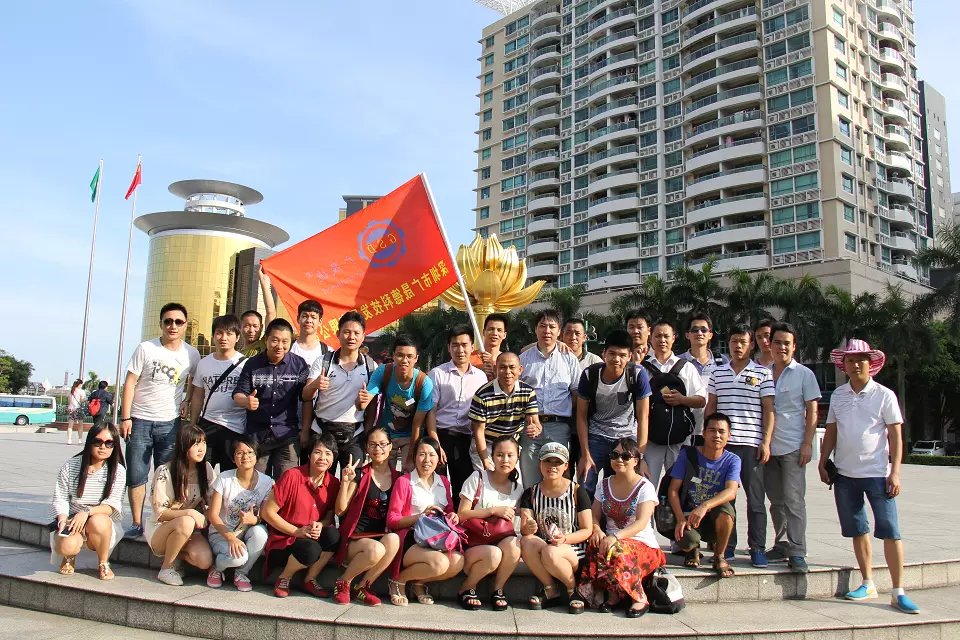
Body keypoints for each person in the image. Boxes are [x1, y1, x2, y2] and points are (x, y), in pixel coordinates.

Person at [818, 339, 919, 614]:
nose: (856, 363)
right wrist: (822, 460)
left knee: (890, 531)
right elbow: (831, 431)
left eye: (862, 359)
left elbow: (895, 436)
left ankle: (898, 590)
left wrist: (895, 471)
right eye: (851, 360)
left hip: (877, 474)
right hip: (846, 474)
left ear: (871, 362)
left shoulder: (885, 395)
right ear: (844, 365)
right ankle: (868, 581)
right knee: (858, 529)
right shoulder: (838, 395)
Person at [119, 302, 201, 539]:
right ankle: (136, 522)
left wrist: (186, 399)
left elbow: (195, 384)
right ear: (161, 324)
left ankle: (160, 518)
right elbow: (130, 383)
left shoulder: (191, 354)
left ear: (185, 325)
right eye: (168, 321)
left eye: (178, 322)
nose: (172, 326)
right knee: (137, 475)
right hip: (140, 420)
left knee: (166, 475)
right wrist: (126, 417)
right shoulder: (146, 348)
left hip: (170, 423)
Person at [705, 324, 774, 566]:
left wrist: (765, 441)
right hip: (724, 447)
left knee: (755, 500)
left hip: (751, 445)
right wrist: (708, 438)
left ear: (751, 344)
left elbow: (768, 410)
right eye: (734, 342)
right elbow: (711, 406)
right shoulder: (718, 373)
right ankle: (727, 546)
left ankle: (758, 548)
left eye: (743, 342)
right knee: (725, 499)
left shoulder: (763, 373)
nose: (738, 346)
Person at [579, 438, 664, 617]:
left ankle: (639, 598)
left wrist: (615, 536)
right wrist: (598, 530)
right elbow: (594, 515)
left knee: (617, 549)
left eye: (625, 456)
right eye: (615, 455)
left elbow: (641, 523)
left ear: (636, 461)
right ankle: (613, 595)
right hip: (612, 539)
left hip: (642, 544)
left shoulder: (645, 487)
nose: (619, 460)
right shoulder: (604, 484)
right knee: (595, 547)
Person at [765, 322, 820, 573]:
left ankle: (798, 551)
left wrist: (807, 443)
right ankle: (782, 543)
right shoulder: (763, 372)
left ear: (794, 346)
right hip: (767, 448)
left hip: (793, 446)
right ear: (770, 344)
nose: (782, 347)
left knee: (794, 501)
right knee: (776, 500)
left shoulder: (804, 374)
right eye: (777, 342)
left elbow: (812, 411)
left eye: (787, 343)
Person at [385, 436, 464, 606]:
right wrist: (421, 516)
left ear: (439, 458)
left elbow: (449, 510)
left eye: (432, 455)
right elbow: (392, 520)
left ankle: (418, 583)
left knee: (458, 562)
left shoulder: (444, 482)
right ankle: (398, 580)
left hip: (436, 540)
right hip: (411, 540)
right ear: (414, 457)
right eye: (422, 454)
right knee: (439, 563)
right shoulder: (404, 482)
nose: (427, 460)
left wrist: (453, 516)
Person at [261, 433, 342, 599]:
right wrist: (296, 531)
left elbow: (329, 514)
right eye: (318, 452)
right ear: (309, 454)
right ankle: (285, 577)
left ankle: (310, 578)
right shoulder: (292, 476)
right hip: (285, 541)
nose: (323, 458)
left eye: (328, 454)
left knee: (333, 535)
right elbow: (267, 512)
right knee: (311, 549)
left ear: (333, 460)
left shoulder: (333, 483)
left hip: (310, 537)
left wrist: (321, 523)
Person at [575, 330, 652, 497]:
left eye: (622, 355)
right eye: (612, 353)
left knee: (623, 488)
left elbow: (644, 417)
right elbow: (581, 415)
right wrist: (585, 454)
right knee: (585, 485)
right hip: (596, 436)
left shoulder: (638, 375)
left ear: (630, 356)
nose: (616, 359)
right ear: (603, 353)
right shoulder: (590, 375)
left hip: (625, 437)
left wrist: (641, 457)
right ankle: (586, 523)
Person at [519, 442, 593, 614]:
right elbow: (525, 529)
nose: (552, 466)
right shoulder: (530, 493)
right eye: (547, 461)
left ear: (566, 465)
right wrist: (528, 527)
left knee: (551, 552)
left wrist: (565, 539)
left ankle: (572, 590)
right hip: (545, 545)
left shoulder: (577, 491)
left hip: (572, 547)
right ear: (540, 464)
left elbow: (587, 529)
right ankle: (550, 588)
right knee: (527, 542)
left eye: (557, 462)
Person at [332, 426, 402, 606]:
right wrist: (345, 483)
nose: (377, 449)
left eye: (382, 444)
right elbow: (340, 511)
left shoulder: (399, 478)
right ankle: (343, 582)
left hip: (379, 537)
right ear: (366, 449)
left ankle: (361, 587)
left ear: (390, 446)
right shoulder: (360, 474)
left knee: (393, 539)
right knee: (375, 549)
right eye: (372, 445)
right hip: (355, 541)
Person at [301, 311, 377, 474]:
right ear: (338, 334)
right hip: (322, 431)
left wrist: (368, 433)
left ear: (363, 336)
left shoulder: (371, 367)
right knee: (319, 481)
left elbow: (373, 405)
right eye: (347, 332)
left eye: (356, 333)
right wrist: (315, 384)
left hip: (355, 434)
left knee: (352, 483)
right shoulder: (323, 362)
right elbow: (306, 396)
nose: (351, 337)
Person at [233, 318, 309, 479]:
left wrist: (306, 430)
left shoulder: (299, 365)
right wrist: (246, 401)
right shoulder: (252, 364)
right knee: (258, 485)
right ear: (266, 339)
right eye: (275, 340)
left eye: (285, 341)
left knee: (287, 484)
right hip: (257, 436)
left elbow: (306, 398)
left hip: (287, 435)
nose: (279, 346)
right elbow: (238, 394)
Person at [668, 413, 741, 578]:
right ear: (704, 432)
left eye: (722, 431)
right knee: (685, 541)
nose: (716, 435)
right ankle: (693, 550)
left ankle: (719, 556)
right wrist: (680, 519)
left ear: (729, 435)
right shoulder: (688, 454)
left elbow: (731, 491)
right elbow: (673, 490)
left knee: (726, 512)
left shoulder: (733, 460)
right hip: (688, 515)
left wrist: (705, 505)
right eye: (712, 430)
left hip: (712, 514)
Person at [455, 435, 524, 611]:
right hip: (472, 544)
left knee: (515, 544)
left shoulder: (518, 488)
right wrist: (493, 510)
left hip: (498, 543)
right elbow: (461, 515)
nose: (505, 460)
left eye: (510, 455)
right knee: (494, 554)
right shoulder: (477, 477)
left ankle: (498, 589)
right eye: (500, 455)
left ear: (517, 457)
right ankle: (467, 587)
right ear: (492, 457)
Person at [50, 422, 126, 580]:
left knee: (99, 521)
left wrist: (86, 512)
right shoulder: (71, 465)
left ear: (115, 446)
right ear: (89, 442)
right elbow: (61, 497)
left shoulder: (118, 471)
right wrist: (63, 520)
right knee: (67, 546)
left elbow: (112, 505)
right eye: (98, 441)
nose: (103, 447)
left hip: (101, 520)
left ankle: (103, 562)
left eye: (109, 443)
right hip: (73, 519)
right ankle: (69, 556)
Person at [146, 424, 215, 586]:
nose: (201, 448)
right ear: (184, 445)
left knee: (204, 561)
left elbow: (211, 502)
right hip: (161, 528)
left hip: (190, 529)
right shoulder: (165, 471)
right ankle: (166, 568)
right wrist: (189, 512)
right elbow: (160, 513)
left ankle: (176, 556)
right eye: (196, 444)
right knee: (187, 521)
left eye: (204, 443)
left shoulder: (206, 469)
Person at [518, 310, 581, 485]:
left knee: (557, 480)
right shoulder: (523, 359)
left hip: (559, 428)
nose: (547, 331)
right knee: (529, 479)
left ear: (559, 330)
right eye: (542, 326)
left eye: (552, 326)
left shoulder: (569, 358)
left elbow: (576, 392)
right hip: (530, 427)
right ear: (535, 329)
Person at [426, 325, 489, 498]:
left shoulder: (480, 377)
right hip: (440, 434)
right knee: (437, 487)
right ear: (448, 347)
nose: (460, 350)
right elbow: (431, 411)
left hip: (465, 439)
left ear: (472, 347)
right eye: (455, 345)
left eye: (464, 344)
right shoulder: (437, 374)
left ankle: (457, 523)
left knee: (462, 489)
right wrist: (435, 444)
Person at [643, 320, 708, 486]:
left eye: (666, 336)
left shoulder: (686, 368)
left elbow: (701, 400)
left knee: (677, 486)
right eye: (658, 336)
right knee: (647, 485)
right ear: (651, 338)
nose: (662, 340)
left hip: (680, 438)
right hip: (651, 440)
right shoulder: (643, 368)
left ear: (674, 338)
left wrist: (682, 400)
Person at [205, 437, 274, 592]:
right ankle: (217, 568)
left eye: (250, 452)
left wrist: (255, 519)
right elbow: (213, 515)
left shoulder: (267, 482)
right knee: (238, 557)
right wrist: (230, 538)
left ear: (257, 456)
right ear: (233, 457)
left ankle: (241, 573)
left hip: (245, 532)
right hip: (221, 534)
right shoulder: (224, 478)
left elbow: (265, 514)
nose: (245, 457)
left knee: (261, 532)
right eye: (240, 453)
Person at [365, 336, 436, 472]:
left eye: (410, 356)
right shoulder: (383, 372)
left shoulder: (424, 382)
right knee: (382, 475)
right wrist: (360, 402)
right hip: (386, 434)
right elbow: (367, 401)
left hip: (410, 436)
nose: (405, 360)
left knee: (408, 477)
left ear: (416, 358)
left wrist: (411, 456)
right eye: (400, 355)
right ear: (393, 355)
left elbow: (417, 424)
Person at [469, 352, 541, 479]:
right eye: (502, 367)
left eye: (512, 367)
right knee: (486, 484)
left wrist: (535, 429)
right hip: (486, 445)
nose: (507, 371)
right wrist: (485, 461)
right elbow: (478, 432)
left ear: (520, 370)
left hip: (511, 445)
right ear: (496, 369)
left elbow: (536, 422)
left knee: (514, 485)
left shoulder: (528, 392)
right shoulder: (482, 395)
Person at [190, 314, 247, 471]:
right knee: (201, 472)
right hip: (207, 425)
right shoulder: (204, 363)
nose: (223, 337)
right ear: (214, 335)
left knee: (231, 476)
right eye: (219, 333)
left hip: (235, 428)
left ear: (237, 337)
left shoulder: (245, 364)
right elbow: (197, 395)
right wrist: (193, 424)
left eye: (229, 333)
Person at [679, 312, 728, 441]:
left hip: (713, 432)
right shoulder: (678, 362)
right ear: (687, 335)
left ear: (710, 335)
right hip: (683, 429)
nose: (699, 333)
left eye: (703, 330)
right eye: (694, 330)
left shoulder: (722, 362)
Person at [239, 265, 277, 357]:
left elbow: (271, 313)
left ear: (261, 327)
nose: (251, 330)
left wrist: (265, 287)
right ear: (240, 327)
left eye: (255, 326)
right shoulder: (235, 355)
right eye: (247, 326)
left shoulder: (264, 344)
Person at [290, 299, 329, 368]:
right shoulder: (288, 348)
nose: (309, 321)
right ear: (298, 319)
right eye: (305, 316)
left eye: (313, 317)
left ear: (320, 321)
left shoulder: (328, 352)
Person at [470, 313, 509, 381]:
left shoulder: (508, 360)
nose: (495, 333)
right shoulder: (469, 358)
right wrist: (479, 372)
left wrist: (495, 372)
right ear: (483, 332)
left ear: (504, 335)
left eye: (499, 330)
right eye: (491, 329)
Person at [66, 378, 86, 444]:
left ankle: (69, 440)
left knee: (70, 425)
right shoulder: (81, 391)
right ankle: (79, 440)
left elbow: (69, 401)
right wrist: (85, 399)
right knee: (80, 425)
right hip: (78, 409)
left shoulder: (71, 391)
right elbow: (82, 400)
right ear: (80, 384)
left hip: (71, 409)